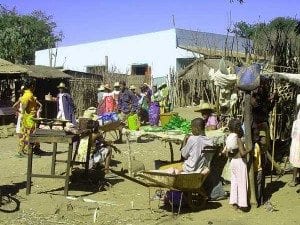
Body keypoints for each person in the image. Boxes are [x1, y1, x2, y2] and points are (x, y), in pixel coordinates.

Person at [222, 119, 252, 211]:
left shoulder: (229, 138)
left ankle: (234, 203)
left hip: (233, 162)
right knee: (242, 183)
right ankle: (243, 205)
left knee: (234, 183)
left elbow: (226, 153)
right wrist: (249, 149)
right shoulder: (237, 138)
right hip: (240, 162)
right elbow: (243, 153)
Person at [17, 80, 39, 158]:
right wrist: (24, 115)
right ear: (32, 86)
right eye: (34, 86)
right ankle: (24, 151)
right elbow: (24, 107)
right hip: (28, 118)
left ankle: (24, 151)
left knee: (27, 134)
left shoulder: (28, 94)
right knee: (27, 135)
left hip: (29, 118)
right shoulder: (28, 95)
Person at [254, 130, 267, 206]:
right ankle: (260, 198)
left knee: (260, 182)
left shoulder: (258, 146)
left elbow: (264, 142)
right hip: (259, 164)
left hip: (260, 164)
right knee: (259, 183)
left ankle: (260, 199)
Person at [289, 96, 300, 187]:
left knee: (297, 155)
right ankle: (294, 179)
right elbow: (296, 110)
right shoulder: (299, 97)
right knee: (296, 154)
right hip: (298, 128)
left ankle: (295, 179)